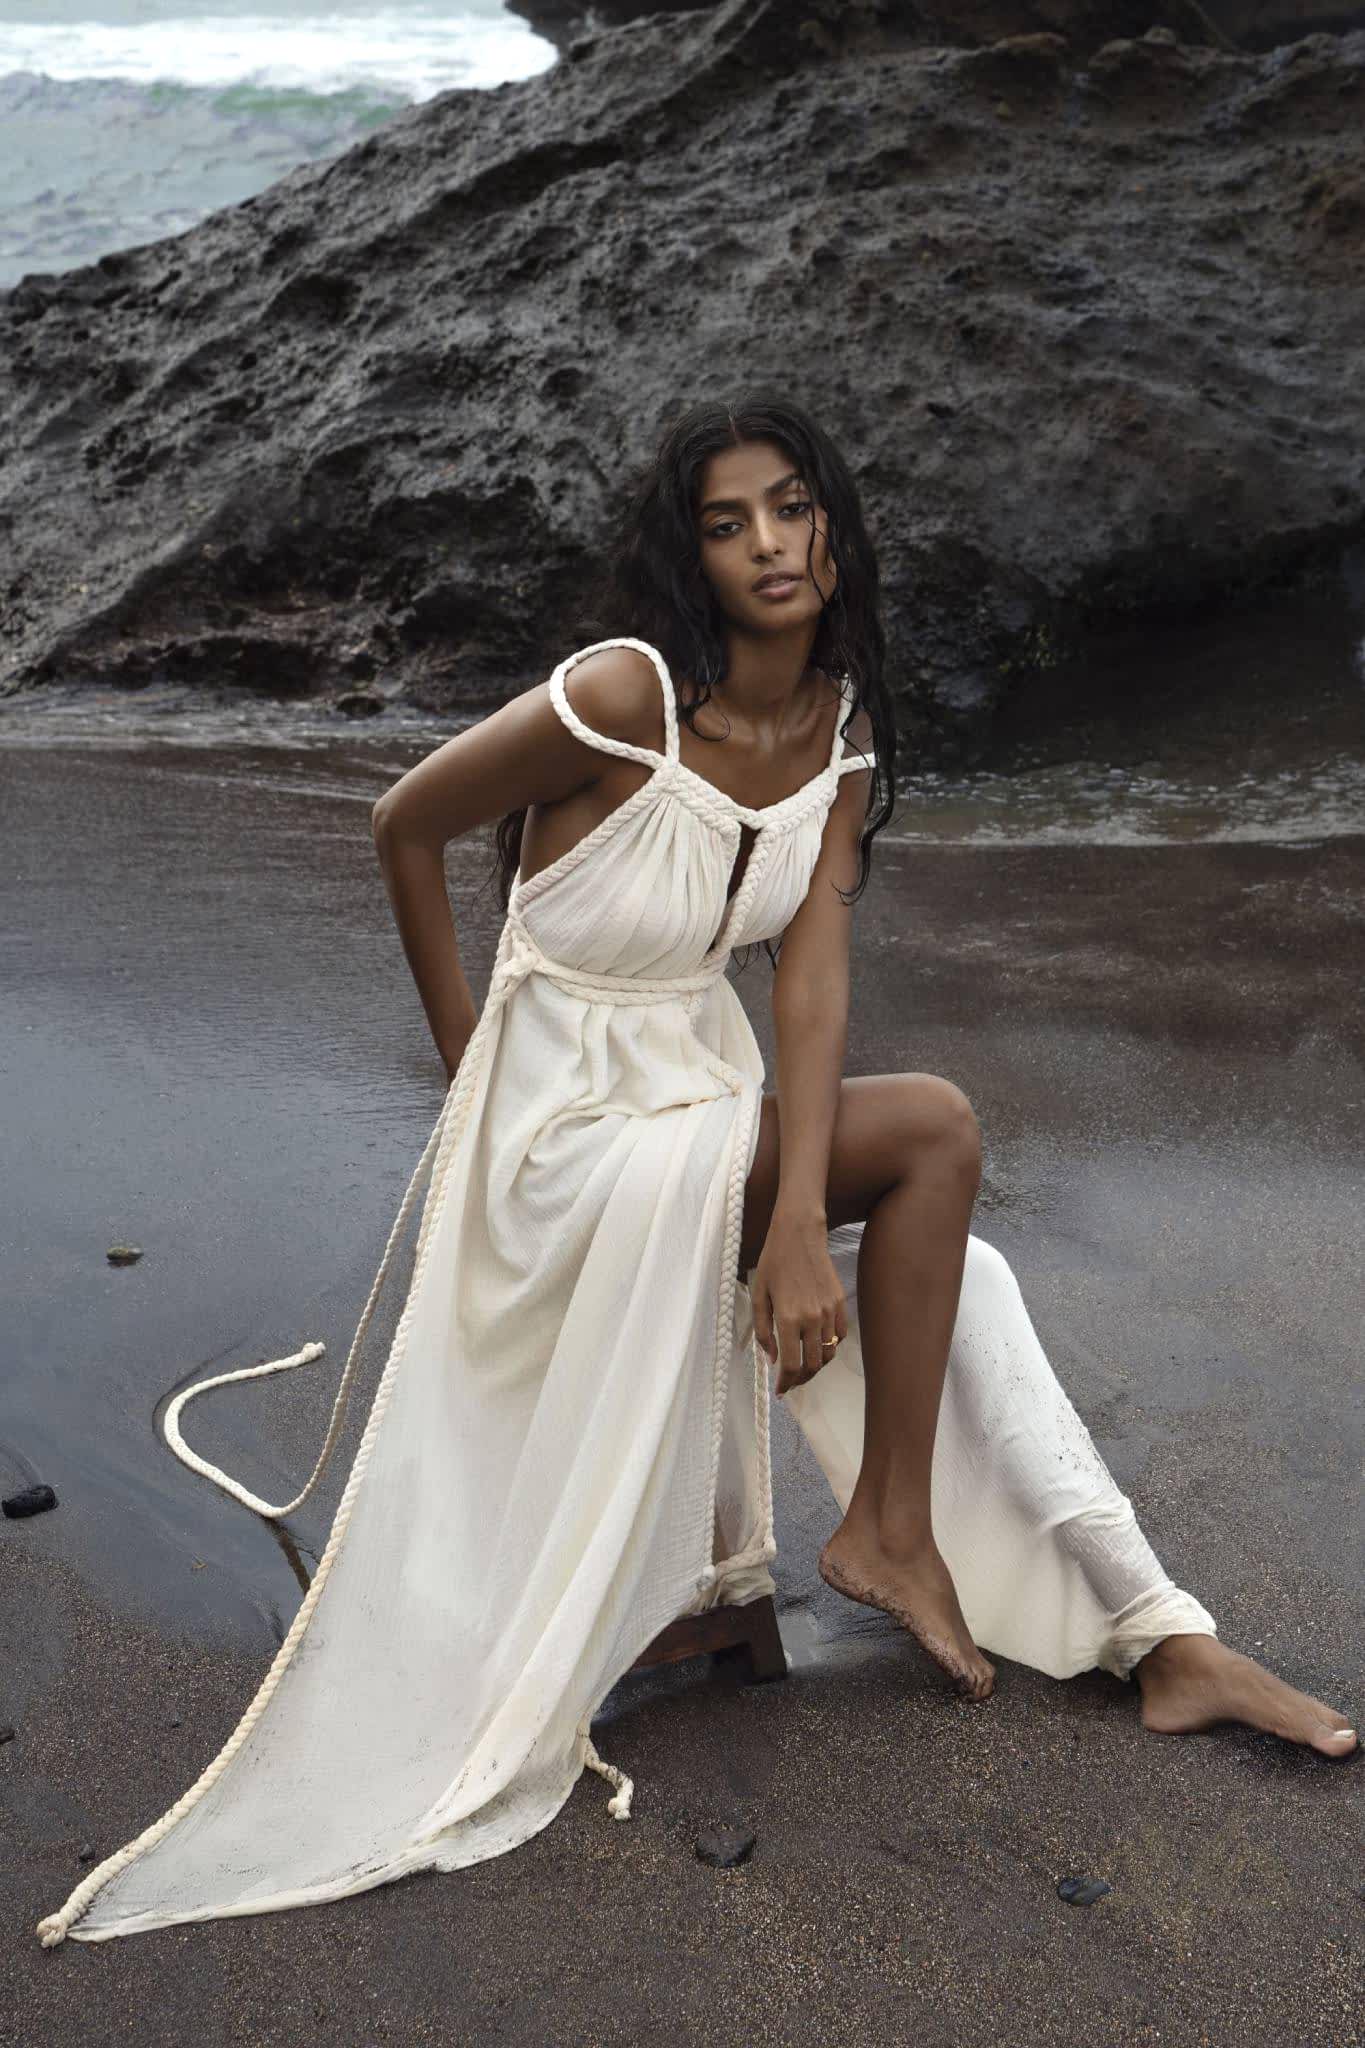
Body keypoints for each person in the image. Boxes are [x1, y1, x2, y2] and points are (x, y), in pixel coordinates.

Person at [36, 395, 1355, 1949]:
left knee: (964, 1276)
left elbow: (805, 985)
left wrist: (797, 1216)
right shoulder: (620, 695)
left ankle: (1156, 1636)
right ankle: (888, 1530)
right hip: (560, 1142)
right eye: (725, 524)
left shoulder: (839, 726)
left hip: (698, 1094)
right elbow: (404, 826)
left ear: (830, 525)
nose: (766, 545)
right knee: (930, 1127)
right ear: (691, 555)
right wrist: (471, 1090)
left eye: (789, 509)